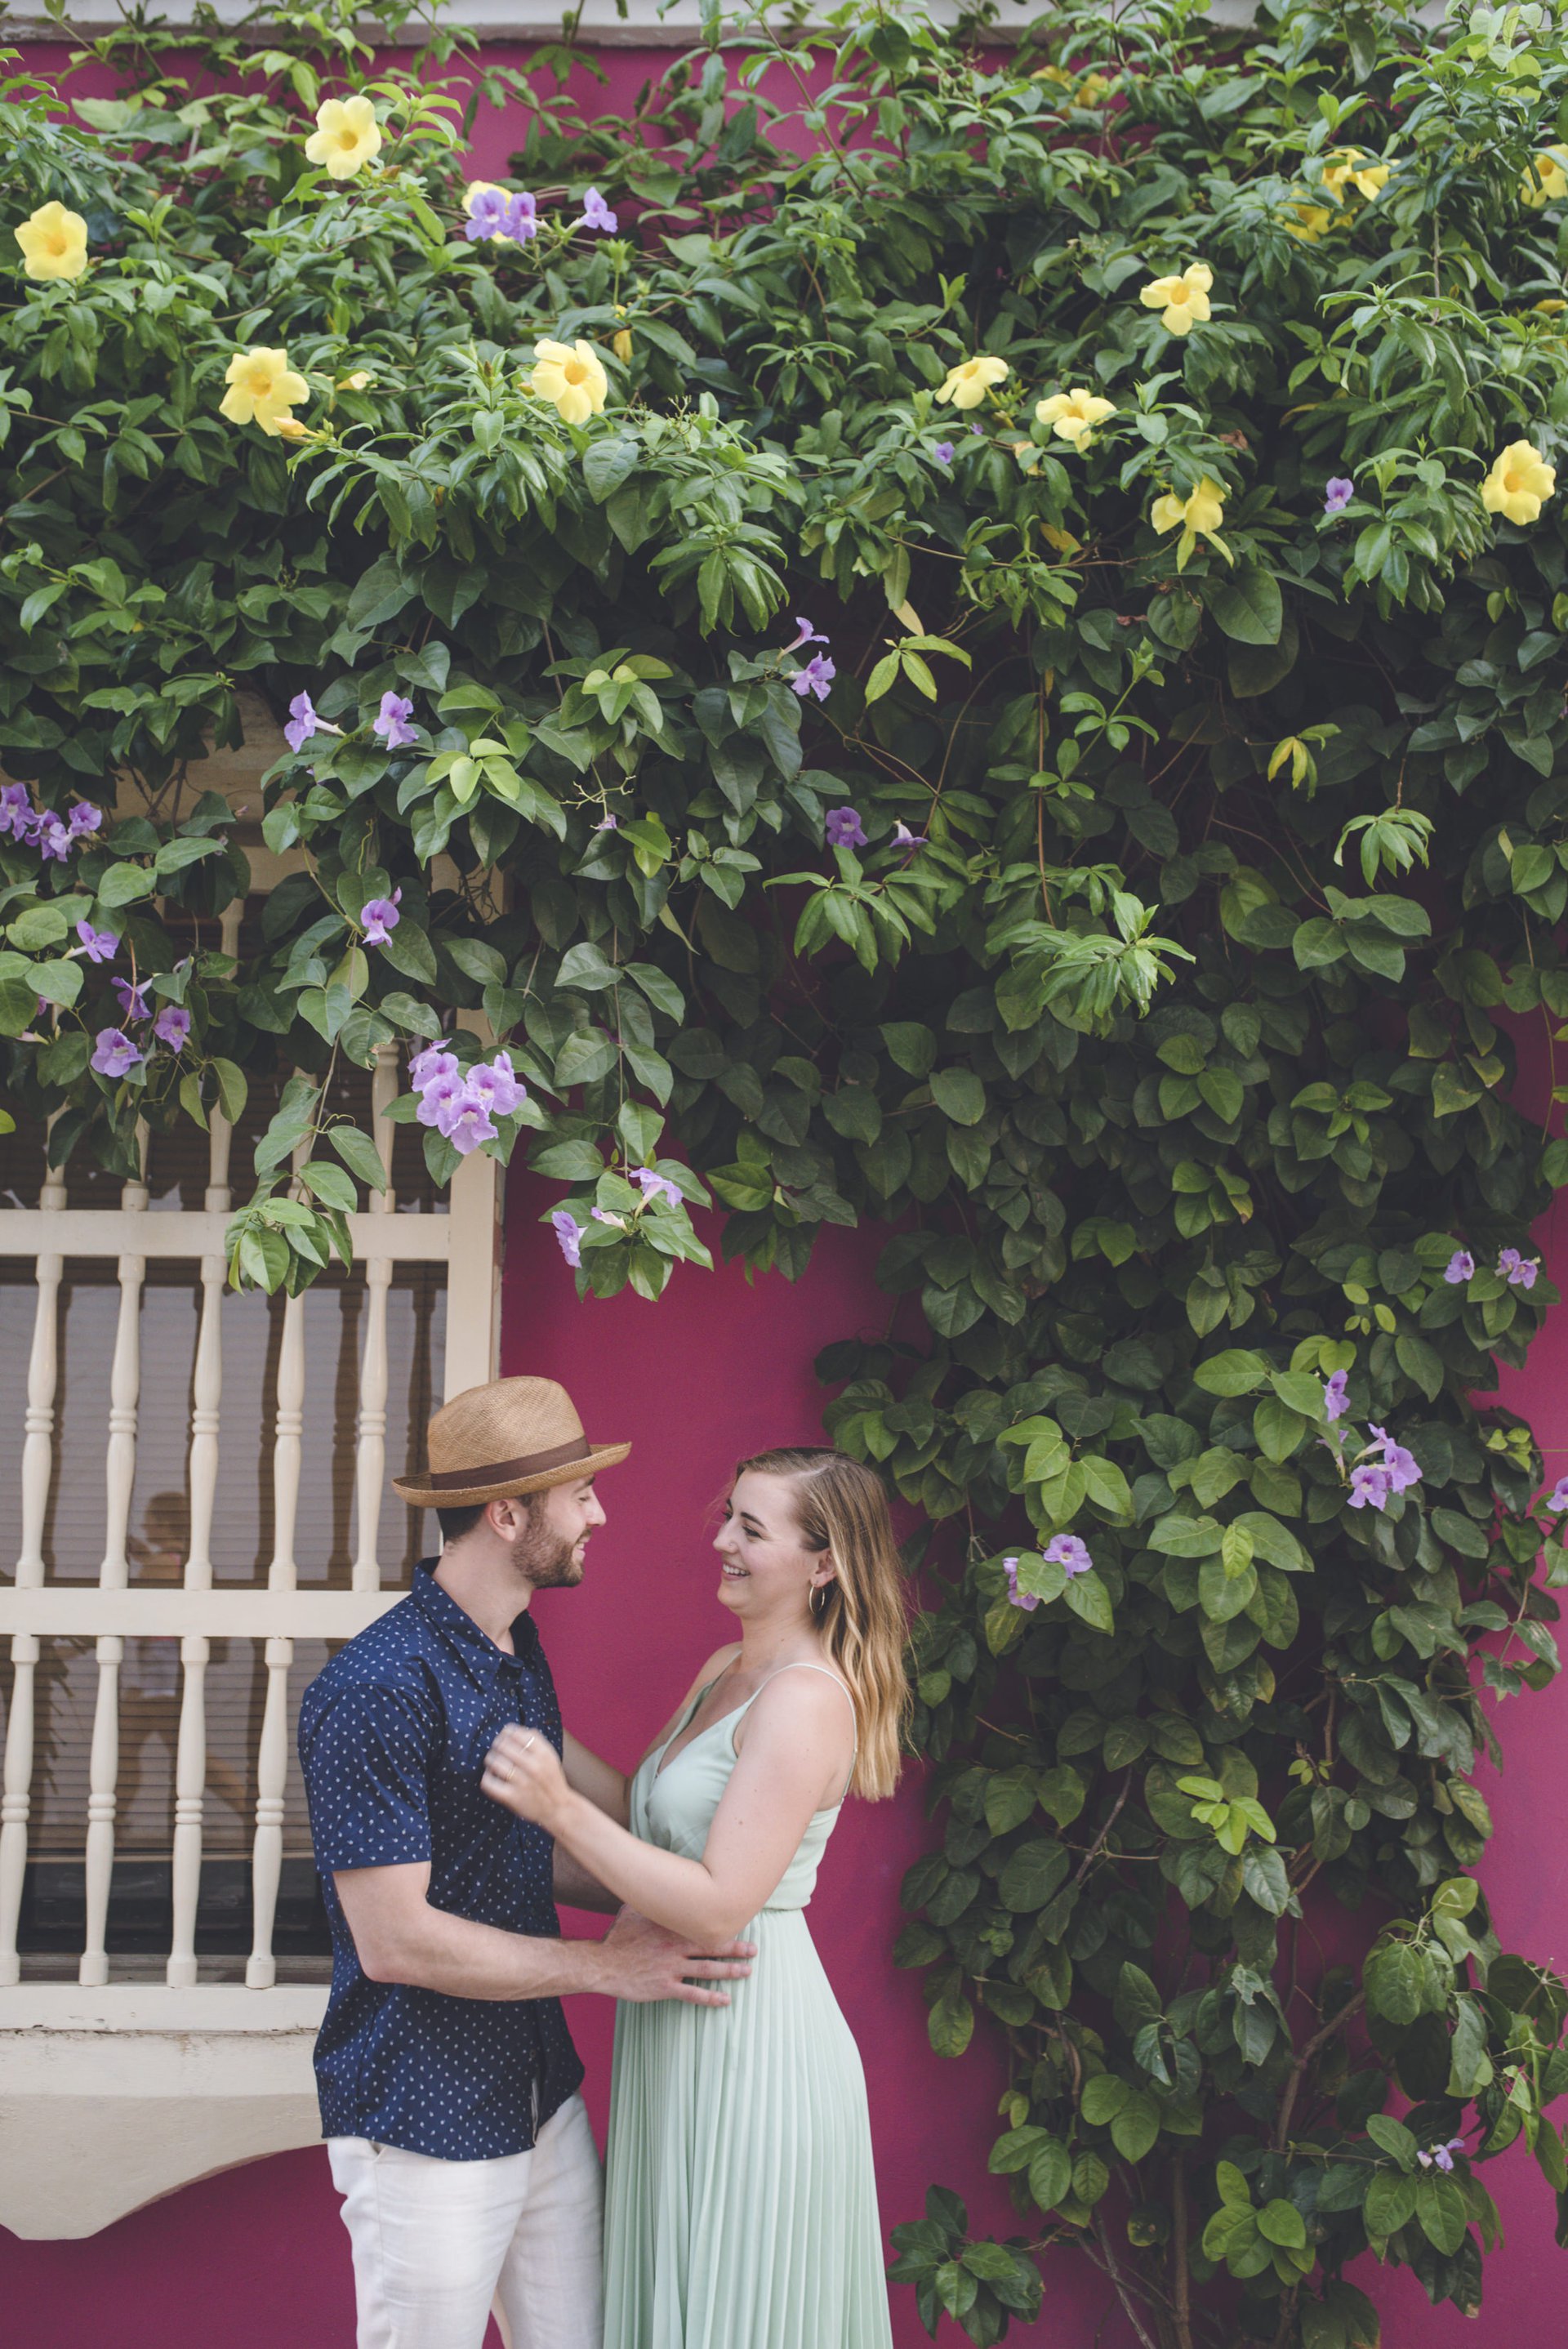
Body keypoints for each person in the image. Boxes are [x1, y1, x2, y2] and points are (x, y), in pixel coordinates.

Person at [297, 1375, 755, 2349]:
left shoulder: (512, 1646)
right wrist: (606, 1964)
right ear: (508, 1516)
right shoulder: (374, 1687)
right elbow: (395, 1938)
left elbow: (510, 1849)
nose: (601, 1511)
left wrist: (666, 1901)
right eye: (578, 1494)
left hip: (540, 2097)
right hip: (424, 2121)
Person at [484, 1444, 911, 2349]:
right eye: (728, 1515)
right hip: (678, 2027)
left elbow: (717, 1901)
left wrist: (553, 1803)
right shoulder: (729, 1667)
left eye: (751, 1529)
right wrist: (521, 1726)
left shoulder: (806, 1698)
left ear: (824, 1563)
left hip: (752, 2038)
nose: (721, 1539)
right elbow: (651, 1815)